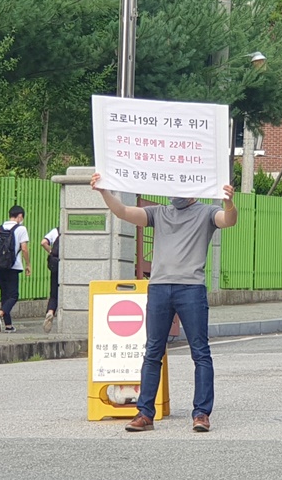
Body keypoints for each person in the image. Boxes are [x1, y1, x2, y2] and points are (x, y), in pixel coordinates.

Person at [91, 172, 237, 433]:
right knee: (152, 351)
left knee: (200, 352)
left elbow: (228, 220)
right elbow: (124, 212)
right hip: (158, 287)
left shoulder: (207, 213)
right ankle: (144, 413)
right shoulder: (159, 213)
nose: (175, 193)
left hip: (191, 288)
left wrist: (229, 201)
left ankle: (201, 413)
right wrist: (104, 192)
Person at [0, 205, 31, 333]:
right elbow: (24, 248)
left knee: (5, 295)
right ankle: (0, 313)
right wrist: (28, 264)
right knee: (13, 295)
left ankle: (8, 325)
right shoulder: (21, 229)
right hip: (13, 266)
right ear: (20, 216)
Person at [40, 226, 60, 332]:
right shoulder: (75, 231)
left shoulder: (56, 231)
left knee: (54, 293)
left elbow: (43, 242)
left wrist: (51, 251)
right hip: (69, 265)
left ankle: (50, 312)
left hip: (55, 263)